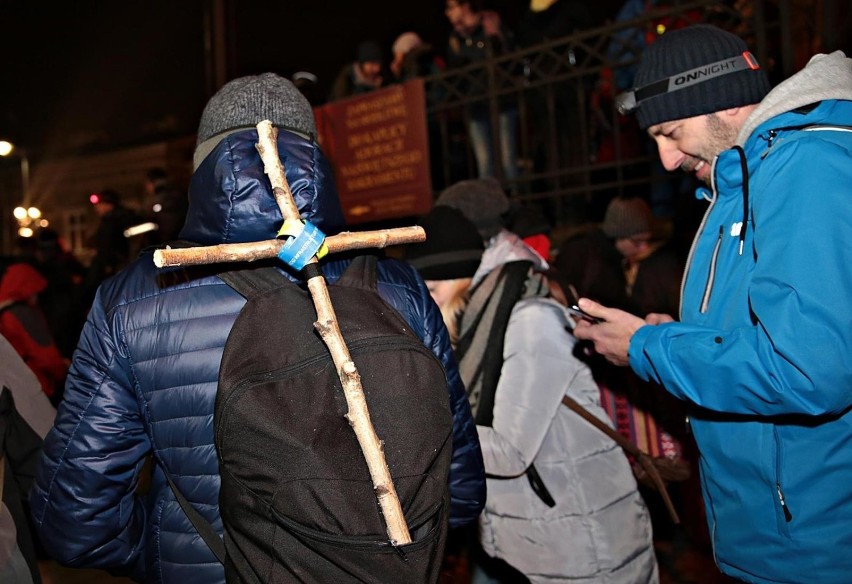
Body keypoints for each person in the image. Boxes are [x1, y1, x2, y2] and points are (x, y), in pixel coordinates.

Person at [30, 73, 486, 584]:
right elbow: (460, 491)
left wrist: (165, 551)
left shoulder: (138, 299)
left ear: (203, 170)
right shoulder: (399, 286)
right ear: (316, 162)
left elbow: (75, 519)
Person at [573, 24, 852, 584]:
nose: (667, 161)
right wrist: (675, 334)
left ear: (722, 102)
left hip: (817, 544)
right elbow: (769, 331)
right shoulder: (745, 180)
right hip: (780, 533)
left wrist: (650, 348)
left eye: (671, 132)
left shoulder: (804, 169)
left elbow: (808, 368)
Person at [408, 201, 658, 583]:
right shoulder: (474, 331)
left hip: (584, 543)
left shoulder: (531, 321)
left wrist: (415, 430)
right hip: (530, 541)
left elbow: (509, 451)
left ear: (461, 282)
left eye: (433, 289)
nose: (427, 302)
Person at [444, 0, 519, 183]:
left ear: (465, 6)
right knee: (485, 163)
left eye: (451, 7)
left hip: (501, 99)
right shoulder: (455, 40)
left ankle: (517, 203)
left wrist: (494, 36)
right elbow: (453, 75)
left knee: (508, 159)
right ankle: (489, 208)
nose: (448, 13)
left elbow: (507, 55)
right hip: (475, 106)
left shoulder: (490, 25)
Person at [0, 261, 68, 403]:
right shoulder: (24, 315)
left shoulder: (4, 313)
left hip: (10, 389)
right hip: (36, 387)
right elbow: (47, 358)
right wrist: (64, 369)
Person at [144, 167, 188, 244]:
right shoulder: (176, 193)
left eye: (147, 184)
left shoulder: (162, 198)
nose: (146, 188)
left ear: (152, 182)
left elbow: (167, 225)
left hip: (168, 243)